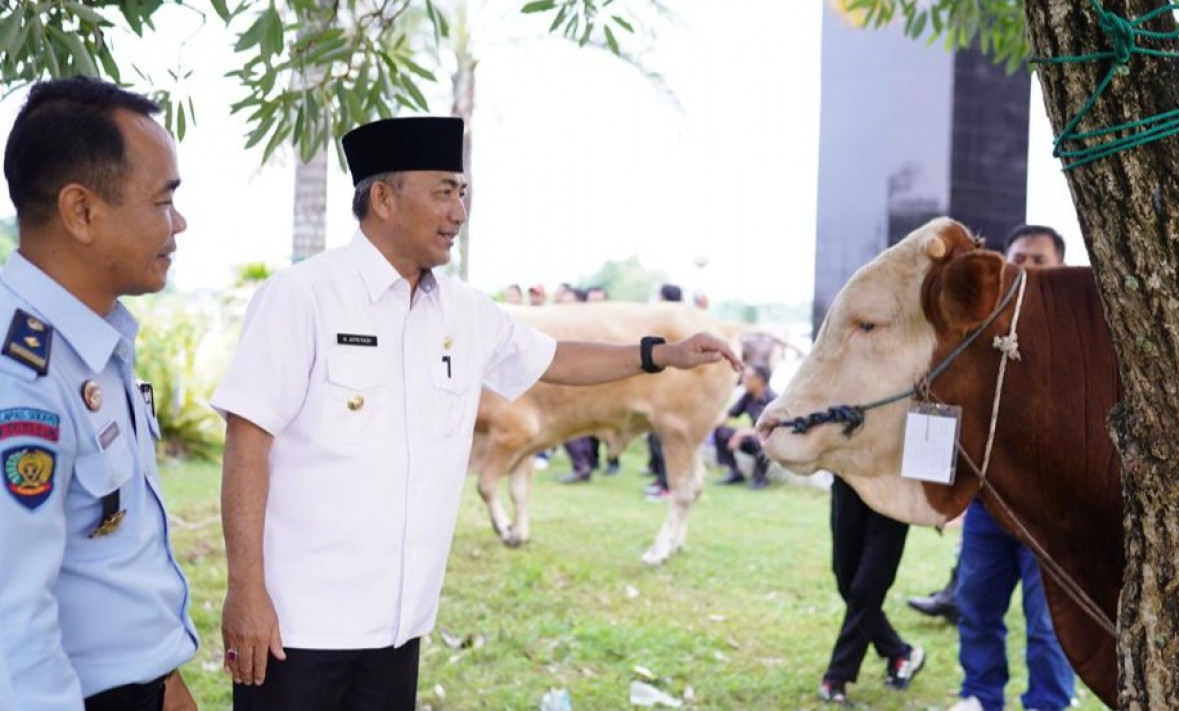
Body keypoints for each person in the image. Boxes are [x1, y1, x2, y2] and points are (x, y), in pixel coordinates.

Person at [211, 116, 742, 711]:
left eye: (462, 193)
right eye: (443, 191)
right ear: (383, 198)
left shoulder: (461, 311)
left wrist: (660, 353)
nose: (459, 213)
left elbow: (555, 359)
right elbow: (247, 440)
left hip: (398, 624)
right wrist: (246, 592)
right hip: (297, 627)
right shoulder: (302, 296)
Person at [0, 77, 200, 710]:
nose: (180, 223)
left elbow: (112, 555)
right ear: (81, 211)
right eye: (163, 200)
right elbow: (13, 630)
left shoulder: (93, 339)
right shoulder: (19, 377)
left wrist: (168, 680)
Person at [946, 224, 1076, 711]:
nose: (1025, 268)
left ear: (1061, 267)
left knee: (1048, 622)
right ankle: (979, 696)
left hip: (1052, 514)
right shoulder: (981, 333)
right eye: (1017, 257)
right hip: (989, 503)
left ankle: (1048, 703)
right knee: (976, 607)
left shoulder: (1076, 337)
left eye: (1038, 260)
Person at [818, 478, 925, 706]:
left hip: (895, 487)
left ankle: (836, 676)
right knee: (845, 580)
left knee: (868, 585)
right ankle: (899, 652)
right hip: (848, 476)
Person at [643, 283, 684, 499]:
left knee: (665, 440)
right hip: (659, 391)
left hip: (671, 392)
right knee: (655, 438)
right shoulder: (669, 322)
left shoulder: (676, 323)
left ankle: (668, 486)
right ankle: (661, 479)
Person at [713, 363, 776, 489]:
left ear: (760, 380)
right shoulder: (748, 396)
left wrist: (742, 433)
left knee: (758, 440)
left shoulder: (772, 400)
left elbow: (770, 431)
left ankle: (761, 479)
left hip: (769, 442)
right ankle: (735, 473)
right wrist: (704, 428)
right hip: (752, 437)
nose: (743, 381)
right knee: (721, 432)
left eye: (747, 377)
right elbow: (730, 414)